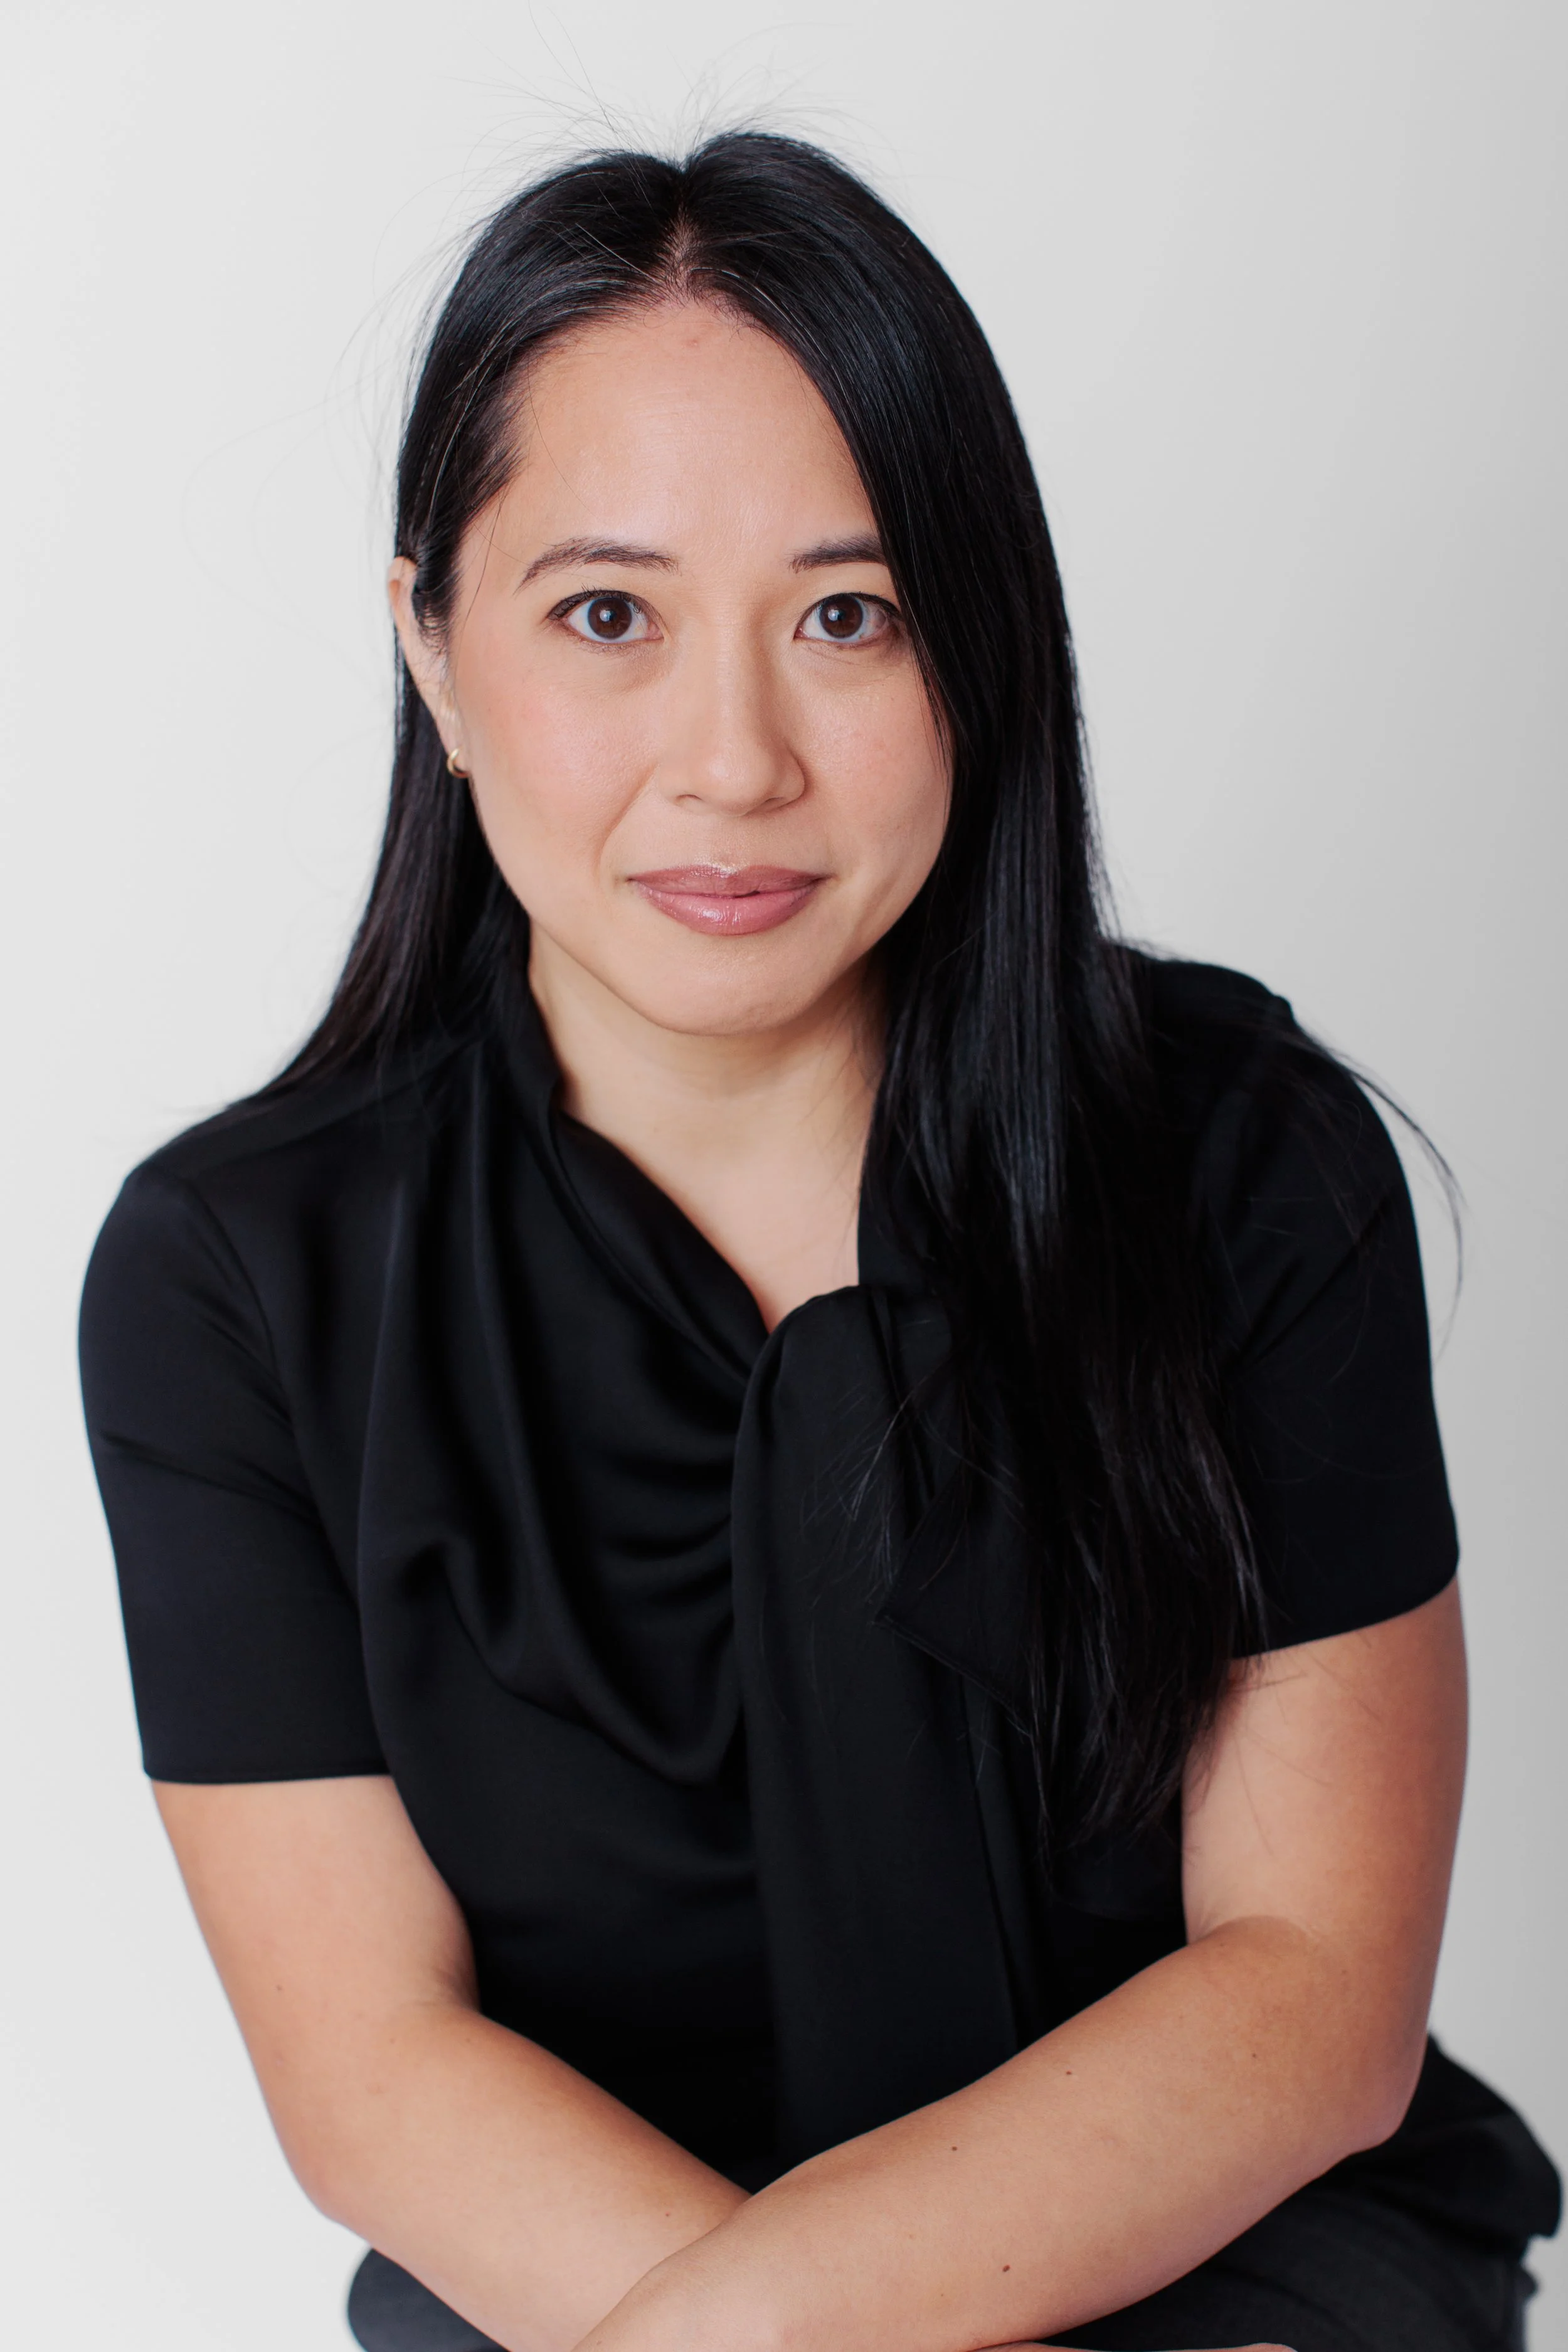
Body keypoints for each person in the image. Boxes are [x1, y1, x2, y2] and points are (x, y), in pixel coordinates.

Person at [79, 132, 1558, 2352]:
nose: (733, 757)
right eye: (607, 615)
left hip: (1214, 2263)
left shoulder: (1247, 1161)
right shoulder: (233, 1275)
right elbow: (376, 2072)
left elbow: (1311, 1995)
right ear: (433, 648)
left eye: (845, 617)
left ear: (982, 647)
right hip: (578, 2274)